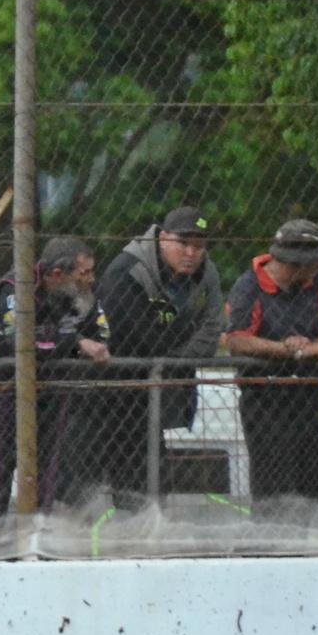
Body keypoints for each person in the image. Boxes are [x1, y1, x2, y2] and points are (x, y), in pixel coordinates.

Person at [93, 205, 223, 509]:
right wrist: (176, 348)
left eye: (199, 245)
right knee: (117, 474)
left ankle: (146, 527)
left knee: (153, 474)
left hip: (159, 384)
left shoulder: (206, 272)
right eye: (184, 243)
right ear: (163, 238)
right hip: (117, 391)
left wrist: (176, 360)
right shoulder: (127, 271)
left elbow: (213, 326)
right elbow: (134, 340)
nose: (192, 252)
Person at [0, 237, 112, 513]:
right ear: (58, 275)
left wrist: (71, 343)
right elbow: (20, 341)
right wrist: (74, 343)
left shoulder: (80, 295)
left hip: (54, 389)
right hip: (7, 390)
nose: (91, 279)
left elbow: (102, 337)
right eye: (84, 273)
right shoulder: (16, 287)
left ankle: (40, 529)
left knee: (49, 465)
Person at [221, 219, 318, 506]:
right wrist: (287, 349)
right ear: (296, 264)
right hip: (266, 400)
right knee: (274, 488)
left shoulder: (313, 285)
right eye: (315, 263)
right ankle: (273, 548)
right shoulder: (249, 287)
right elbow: (236, 339)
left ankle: (304, 547)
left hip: (309, 396)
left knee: (310, 485)